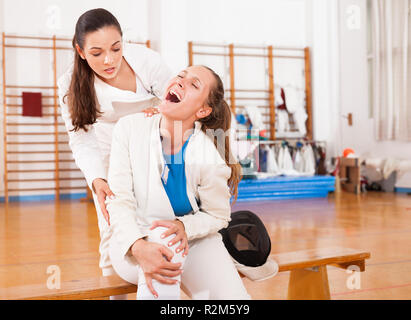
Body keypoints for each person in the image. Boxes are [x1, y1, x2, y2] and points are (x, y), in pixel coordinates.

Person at [106, 65, 251, 300]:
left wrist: (185, 227)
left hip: (191, 241)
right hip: (133, 245)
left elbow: (218, 216)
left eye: (194, 84)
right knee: (164, 236)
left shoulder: (208, 156)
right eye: (181, 76)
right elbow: (119, 200)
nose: (181, 81)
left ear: (203, 110)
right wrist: (138, 246)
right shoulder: (130, 128)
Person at [58, 8, 173, 278]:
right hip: (107, 148)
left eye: (116, 48)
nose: (109, 60)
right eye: (97, 53)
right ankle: (113, 287)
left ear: (124, 42)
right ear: (81, 51)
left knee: (158, 220)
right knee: (110, 227)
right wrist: (97, 180)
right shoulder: (69, 83)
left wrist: (162, 114)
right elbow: (81, 138)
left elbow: (178, 102)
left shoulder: (146, 60)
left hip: (154, 142)